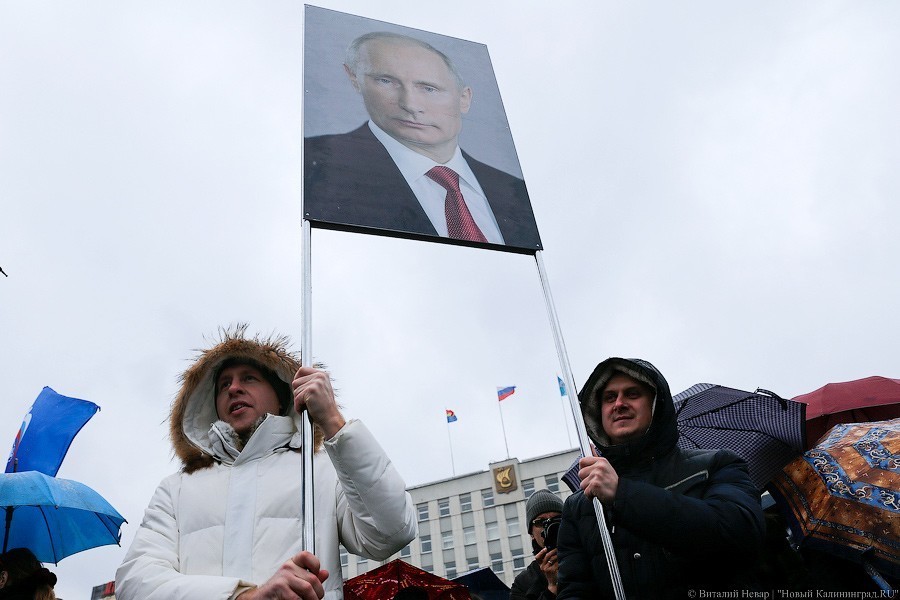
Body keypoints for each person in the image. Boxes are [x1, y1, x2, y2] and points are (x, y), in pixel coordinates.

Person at [115, 326, 417, 600]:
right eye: (223, 384)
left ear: (282, 395)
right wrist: (243, 597)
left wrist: (333, 421)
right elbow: (136, 581)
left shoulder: (321, 471)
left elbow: (391, 532)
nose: (234, 388)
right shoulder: (177, 489)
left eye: (249, 378)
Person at [304, 31, 542, 252]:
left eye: (429, 88)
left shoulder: (518, 193)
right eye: (386, 81)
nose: (410, 104)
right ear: (355, 79)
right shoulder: (312, 164)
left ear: (464, 99)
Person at [556, 357, 765, 599]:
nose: (619, 404)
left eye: (632, 394)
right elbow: (574, 590)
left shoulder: (716, 465)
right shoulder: (579, 506)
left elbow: (740, 535)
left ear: (656, 404)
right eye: (609, 398)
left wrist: (623, 494)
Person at [510, 489, 564, 600]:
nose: (550, 527)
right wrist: (552, 587)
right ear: (531, 534)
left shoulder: (587, 559)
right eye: (540, 522)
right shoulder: (523, 583)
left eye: (557, 520)